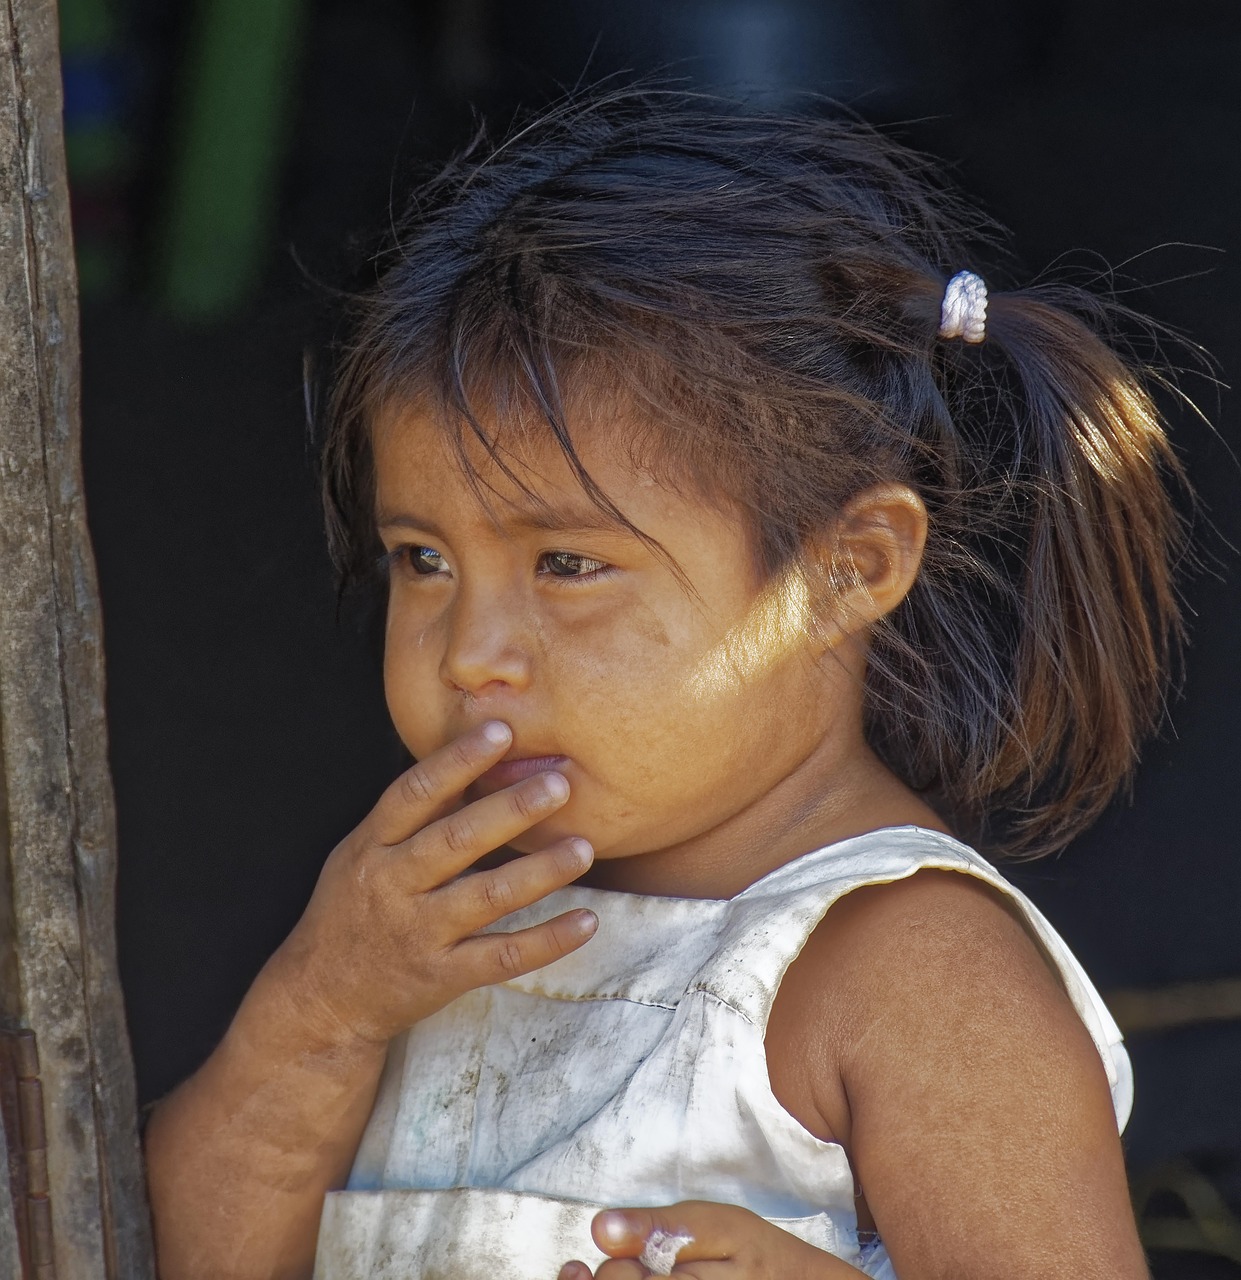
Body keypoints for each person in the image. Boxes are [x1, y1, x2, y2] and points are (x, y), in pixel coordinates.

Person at [144, 90, 1188, 1280]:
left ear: (846, 568)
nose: (470, 649)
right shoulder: (421, 932)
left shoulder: (906, 967)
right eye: (422, 559)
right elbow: (181, 1252)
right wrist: (318, 1011)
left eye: (568, 563)